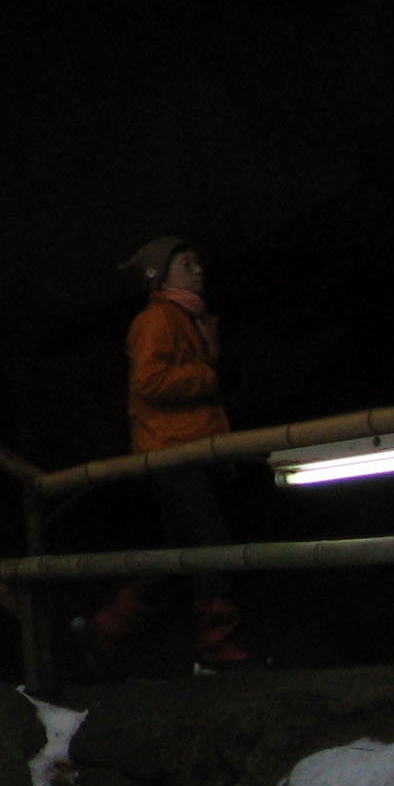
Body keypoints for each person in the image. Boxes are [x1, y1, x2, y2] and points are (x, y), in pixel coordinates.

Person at [91, 236, 250, 669]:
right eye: (186, 263)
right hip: (170, 452)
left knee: (176, 553)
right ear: (160, 277)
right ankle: (215, 646)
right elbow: (151, 382)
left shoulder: (186, 319)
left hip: (184, 449)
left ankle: (105, 628)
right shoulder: (157, 320)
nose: (198, 269)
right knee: (211, 543)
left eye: (198, 261)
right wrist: (208, 375)